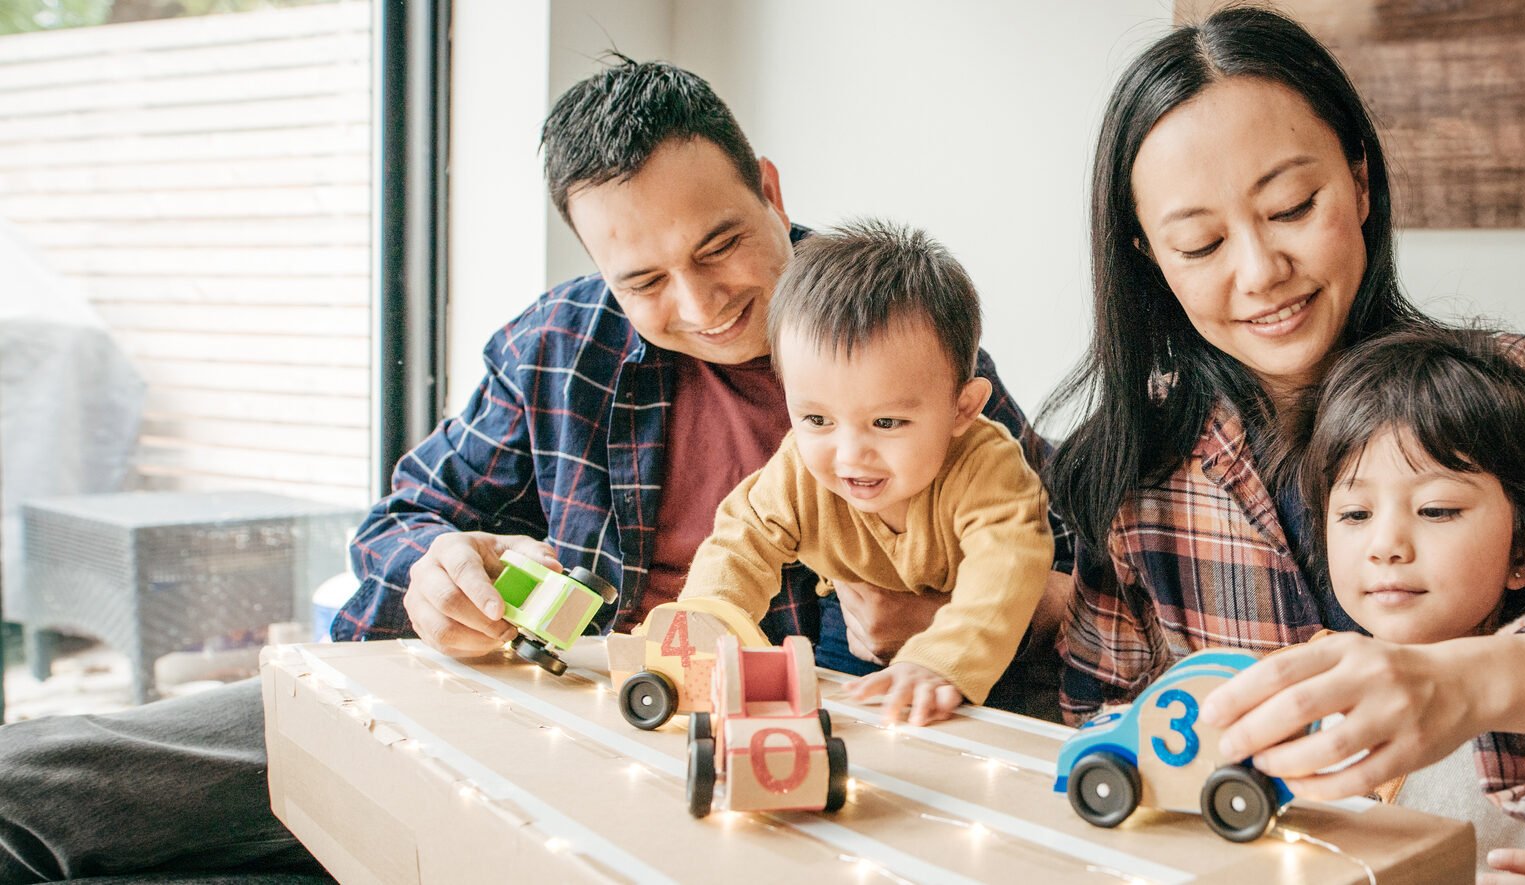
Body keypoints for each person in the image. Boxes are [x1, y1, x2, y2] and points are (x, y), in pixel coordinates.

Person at [0, 59, 1065, 883]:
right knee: (45, 783)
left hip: (778, 763)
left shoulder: (901, 340)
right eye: (644, 277)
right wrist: (438, 571)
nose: (698, 303)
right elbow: (401, 521)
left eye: (721, 243)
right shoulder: (562, 347)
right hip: (551, 704)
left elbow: (1069, 579)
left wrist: (956, 620)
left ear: (770, 190)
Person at [1044, 8, 1525, 883]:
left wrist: (1464, 685)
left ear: (1361, 184)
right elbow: (1098, 736)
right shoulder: (1131, 471)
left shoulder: (1523, 391)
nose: (1261, 270)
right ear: (1151, 257)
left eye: (1293, 206)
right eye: (1202, 242)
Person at [1291, 326, 1525, 885]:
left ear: (1523, 552)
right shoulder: (1295, 682)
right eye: (1356, 515)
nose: (1386, 545)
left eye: (1435, 510)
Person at [682, 220, 1054, 725]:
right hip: (850, 637)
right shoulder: (799, 472)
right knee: (830, 723)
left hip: (984, 648)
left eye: (886, 422)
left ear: (962, 409)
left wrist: (938, 662)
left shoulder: (987, 467)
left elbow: (1007, 567)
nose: (850, 455)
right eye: (817, 420)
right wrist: (703, 624)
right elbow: (739, 543)